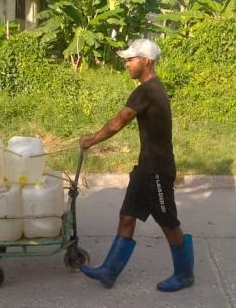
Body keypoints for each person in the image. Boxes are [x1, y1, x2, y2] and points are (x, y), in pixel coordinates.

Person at [78, 38, 194, 292]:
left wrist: (91, 140)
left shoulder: (147, 90)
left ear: (147, 62)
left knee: (168, 222)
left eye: (131, 59)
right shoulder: (151, 88)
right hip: (145, 168)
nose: (127, 64)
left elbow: (118, 122)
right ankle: (109, 271)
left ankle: (185, 274)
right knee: (127, 216)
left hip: (157, 170)